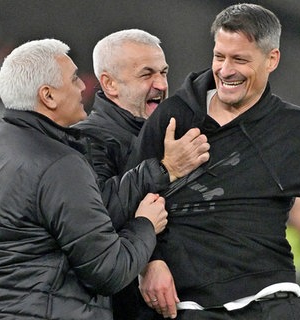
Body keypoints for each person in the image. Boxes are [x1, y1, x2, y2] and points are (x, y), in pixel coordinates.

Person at [130, 3, 300, 319]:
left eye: (240, 59)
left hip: (272, 301)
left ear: (272, 59)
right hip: (188, 306)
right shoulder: (173, 117)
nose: (226, 70)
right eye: (219, 56)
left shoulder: (294, 130)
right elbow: (130, 199)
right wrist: (150, 263)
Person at [0, 38, 169, 320]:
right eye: (74, 78)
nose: (83, 87)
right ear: (47, 96)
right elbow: (108, 271)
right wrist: (145, 225)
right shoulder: (61, 163)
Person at [75, 29, 210, 320]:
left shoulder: (175, 135)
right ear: (109, 84)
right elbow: (93, 221)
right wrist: (166, 170)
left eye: (163, 72)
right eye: (146, 74)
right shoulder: (86, 141)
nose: (161, 84)